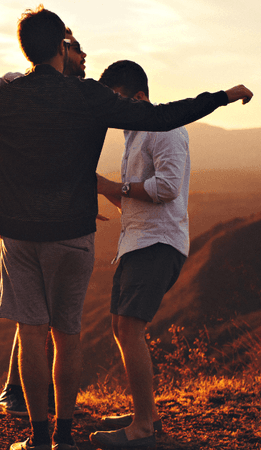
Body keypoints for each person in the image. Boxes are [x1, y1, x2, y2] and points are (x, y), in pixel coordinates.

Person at [0, 6, 252, 449]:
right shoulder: (88, 96)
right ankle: (65, 438)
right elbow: (161, 116)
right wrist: (220, 95)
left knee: (31, 337)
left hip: (20, 234)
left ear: (26, 48)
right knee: (67, 337)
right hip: (73, 233)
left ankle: (39, 439)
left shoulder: (4, 93)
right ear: (61, 48)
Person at [0, 27, 87, 418]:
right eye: (76, 48)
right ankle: (18, 393)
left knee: (40, 313)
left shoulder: (65, 98)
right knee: (34, 314)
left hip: (50, 219)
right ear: (58, 50)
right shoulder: (19, 90)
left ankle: (30, 400)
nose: (84, 56)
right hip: (23, 221)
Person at [89, 60, 194, 448]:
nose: (111, 111)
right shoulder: (135, 134)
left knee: (130, 328)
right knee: (121, 327)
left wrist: (115, 185)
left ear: (138, 96)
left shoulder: (163, 128)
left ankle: (143, 429)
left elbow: (166, 187)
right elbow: (136, 196)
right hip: (137, 241)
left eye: (115, 100)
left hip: (158, 243)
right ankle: (143, 414)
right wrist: (103, 189)